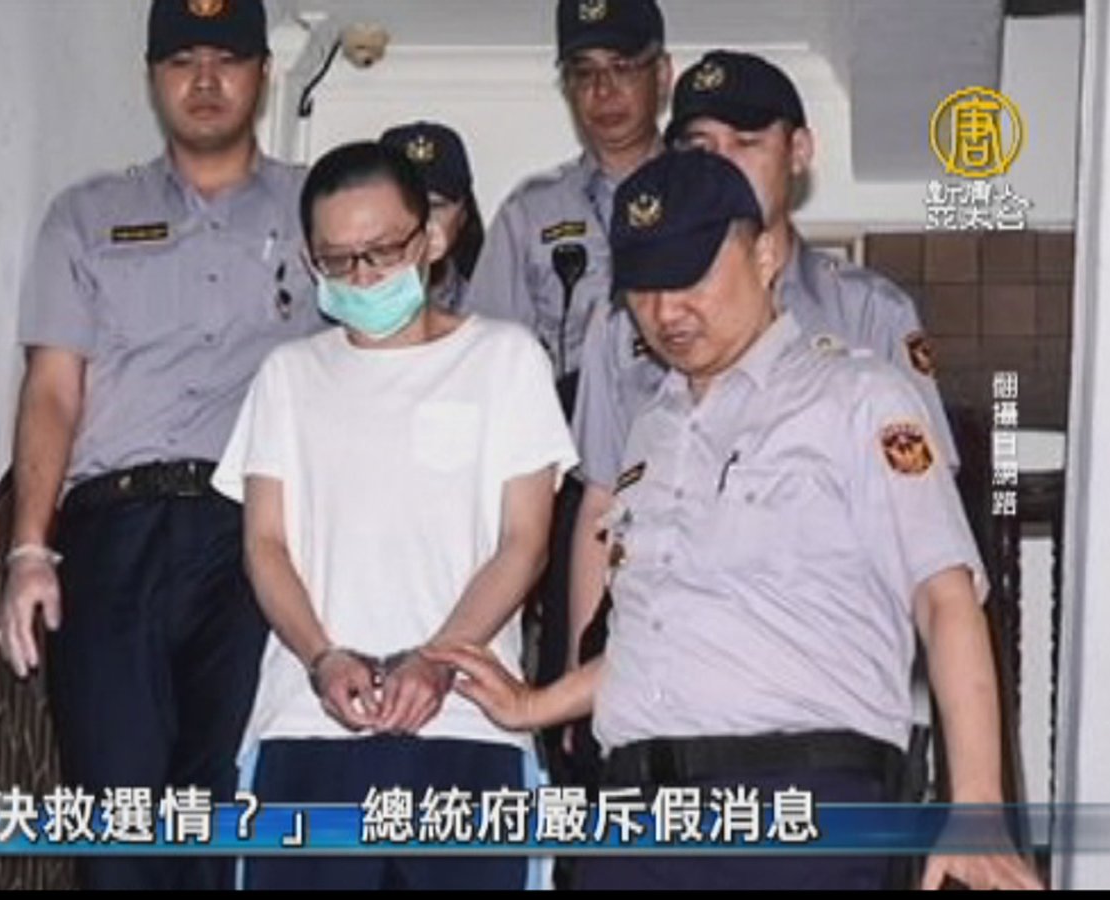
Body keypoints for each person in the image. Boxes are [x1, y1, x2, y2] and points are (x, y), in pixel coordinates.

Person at [430, 150, 1042, 891]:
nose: (666, 312)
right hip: (636, 819)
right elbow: (668, 642)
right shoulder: (652, 430)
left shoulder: (859, 398)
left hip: (795, 811)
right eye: (644, 288)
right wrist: (536, 703)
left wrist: (976, 803)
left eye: (691, 279)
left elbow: (946, 599)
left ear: (764, 256)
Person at [0, 0, 320, 889]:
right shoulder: (87, 214)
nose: (204, 81)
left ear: (261, 74)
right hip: (113, 534)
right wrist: (28, 550)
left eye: (226, 59)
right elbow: (53, 390)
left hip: (253, 537)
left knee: (220, 807)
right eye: (182, 61)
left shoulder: (317, 208)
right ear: (152, 80)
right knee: (117, 814)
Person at [212, 141, 578, 890]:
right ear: (310, 262)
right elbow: (266, 545)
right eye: (338, 260)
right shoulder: (288, 376)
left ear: (431, 239)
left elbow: (524, 544)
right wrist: (322, 658)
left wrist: (438, 658)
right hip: (307, 725)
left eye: (381, 252)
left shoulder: (506, 360)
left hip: (470, 724)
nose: (363, 277)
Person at [568, 50, 959, 680]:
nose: (723, 163)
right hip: (656, 672)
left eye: (746, 142)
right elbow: (601, 508)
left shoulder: (868, 312)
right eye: (700, 147)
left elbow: (925, 524)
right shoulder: (625, 322)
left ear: (798, 151)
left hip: (812, 675)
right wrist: (577, 686)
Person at [465, 0, 673, 779]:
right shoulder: (533, 211)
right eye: (583, 75)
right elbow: (486, 370)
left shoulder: (707, 193)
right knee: (570, 666)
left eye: (622, 70)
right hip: (571, 467)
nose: (603, 92)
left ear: (663, 76)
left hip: (684, 448)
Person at [380, 121, 484, 312]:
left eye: (436, 206)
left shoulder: (493, 307)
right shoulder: (339, 305)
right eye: (403, 205)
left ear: (464, 214)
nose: (420, 220)